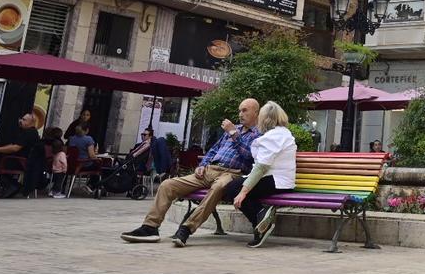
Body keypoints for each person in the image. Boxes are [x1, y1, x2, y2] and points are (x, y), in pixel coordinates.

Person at [121, 98, 261, 246]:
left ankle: (186, 229)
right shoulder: (233, 130)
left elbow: (249, 155)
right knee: (168, 185)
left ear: (256, 112)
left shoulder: (258, 134)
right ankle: (150, 227)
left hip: (232, 173)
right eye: (239, 110)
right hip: (209, 170)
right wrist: (203, 164)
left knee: (218, 187)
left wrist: (233, 133)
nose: (240, 114)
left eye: (244, 110)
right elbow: (213, 150)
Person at [226, 101, 297, 248]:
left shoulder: (275, 136)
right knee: (234, 187)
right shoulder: (281, 133)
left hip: (276, 182)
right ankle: (261, 218)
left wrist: (243, 192)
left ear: (266, 119)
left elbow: (261, 167)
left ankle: (260, 222)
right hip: (277, 180)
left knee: (233, 189)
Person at [0, 112, 45, 198]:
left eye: (24, 120)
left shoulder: (28, 133)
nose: (21, 121)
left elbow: (15, 148)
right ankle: (12, 186)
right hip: (25, 162)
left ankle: (12, 185)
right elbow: (13, 144)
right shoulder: (30, 132)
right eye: (21, 119)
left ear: (31, 122)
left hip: (21, 162)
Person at [45, 127, 68, 199]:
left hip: (54, 170)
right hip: (61, 170)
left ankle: (52, 191)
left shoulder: (55, 154)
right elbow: (64, 162)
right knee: (59, 182)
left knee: (55, 181)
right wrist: (65, 169)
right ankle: (57, 193)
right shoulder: (62, 154)